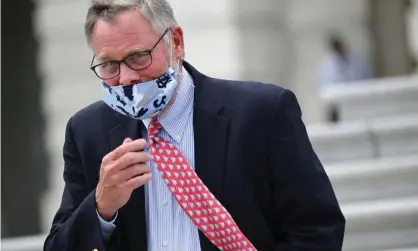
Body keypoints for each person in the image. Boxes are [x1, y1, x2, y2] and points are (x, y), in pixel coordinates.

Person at [44, 1, 345, 251]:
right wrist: (100, 206)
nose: (125, 78)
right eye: (109, 65)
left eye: (138, 57)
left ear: (176, 42)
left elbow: (317, 229)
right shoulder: (87, 133)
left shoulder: (262, 112)